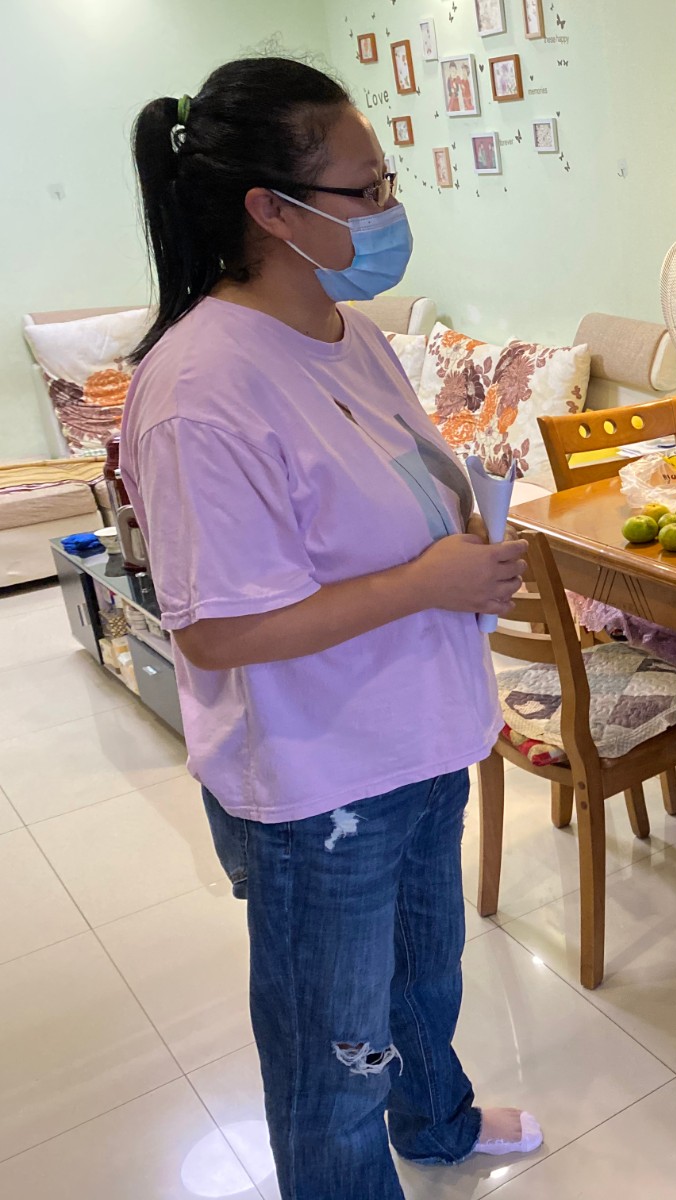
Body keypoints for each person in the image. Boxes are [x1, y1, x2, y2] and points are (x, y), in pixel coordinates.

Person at [123, 58, 539, 1200]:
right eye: (366, 190)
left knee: (423, 982)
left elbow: (385, 507)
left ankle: (439, 1123)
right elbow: (217, 632)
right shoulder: (201, 388)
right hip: (322, 790)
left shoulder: (349, 334)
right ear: (270, 211)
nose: (389, 210)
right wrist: (427, 581)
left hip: (421, 739)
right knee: (335, 1057)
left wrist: (463, 542)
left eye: (387, 181)